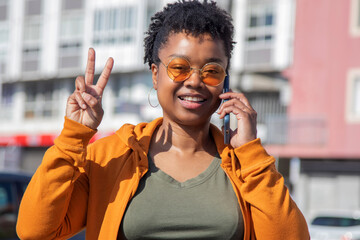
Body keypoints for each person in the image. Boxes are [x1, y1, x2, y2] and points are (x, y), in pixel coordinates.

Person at [16, 1, 310, 239]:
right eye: (179, 68)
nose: (195, 81)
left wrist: (250, 152)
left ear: (225, 81)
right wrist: (72, 136)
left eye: (211, 70)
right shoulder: (110, 157)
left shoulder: (242, 164)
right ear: (155, 74)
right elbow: (35, 230)